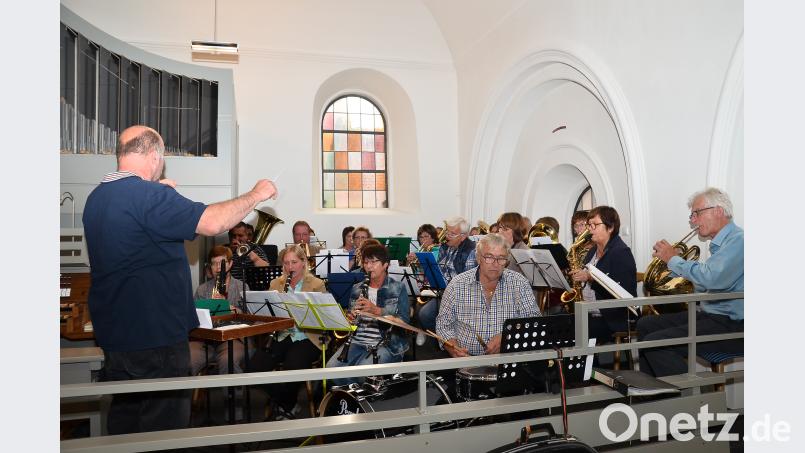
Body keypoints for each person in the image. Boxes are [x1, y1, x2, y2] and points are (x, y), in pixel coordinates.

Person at [83, 125, 278, 434]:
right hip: (155, 338)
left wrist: (162, 195)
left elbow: (138, 245)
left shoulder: (97, 198)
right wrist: (257, 194)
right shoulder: (147, 195)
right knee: (163, 431)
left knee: (126, 426)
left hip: (117, 336)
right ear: (154, 156)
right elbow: (213, 223)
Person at [638, 188, 743, 377]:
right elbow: (705, 284)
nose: (693, 220)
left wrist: (673, 259)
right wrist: (675, 265)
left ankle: (692, 400)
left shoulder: (739, 241)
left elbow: (712, 278)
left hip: (733, 325)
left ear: (718, 211)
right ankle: (652, 393)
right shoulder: (721, 245)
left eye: (697, 213)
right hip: (711, 316)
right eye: (692, 215)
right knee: (645, 325)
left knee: (655, 343)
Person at [250, 244, 327, 420]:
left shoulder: (316, 284)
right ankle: (287, 402)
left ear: (303, 263)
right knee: (254, 367)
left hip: (307, 336)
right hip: (282, 334)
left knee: (294, 366)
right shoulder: (276, 283)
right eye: (286, 263)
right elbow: (268, 314)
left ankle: (282, 404)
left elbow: (322, 318)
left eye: (294, 262)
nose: (290, 267)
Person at [436, 233, 541, 357]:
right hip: (467, 362)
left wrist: (507, 335)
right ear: (478, 258)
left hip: (508, 360)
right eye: (489, 257)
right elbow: (443, 325)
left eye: (501, 258)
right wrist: (453, 347)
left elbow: (534, 321)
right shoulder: (457, 284)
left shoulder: (519, 283)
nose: (495, 264)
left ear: (506, 261)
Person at [327, 244, 410, 386]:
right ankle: (352, 400)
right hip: (357, 341)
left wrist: (376, 310)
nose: (369, 266)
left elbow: (405, 323)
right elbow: (351, 318)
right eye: (366, 262)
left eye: (373, 262)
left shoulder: (398, 288)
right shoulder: (356, 288)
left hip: (387, 344)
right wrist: (349, 318)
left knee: (363, 374)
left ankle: (363, 399)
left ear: (385, 265)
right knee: (331, 371)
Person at [569, 206, 637, 347]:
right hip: (590, 312)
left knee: (573, 331)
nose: (589, 229)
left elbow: (625, 292)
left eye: (594, 225)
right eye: (589, 225)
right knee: (557, 323)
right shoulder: (593, 250)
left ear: (610, 227)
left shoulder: (621, 252)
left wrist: (590, 278)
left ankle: (588, 367)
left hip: (613, 316)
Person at [189, 246, 249, 376]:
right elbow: (194, 317)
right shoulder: (202, 289)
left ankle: (234, 396)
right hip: (206, 340)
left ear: (230, 263)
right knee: (188, 359)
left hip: (232, 339)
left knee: (229, 360)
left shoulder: (241, 287)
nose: (217, 268)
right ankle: (184, 396)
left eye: (221, 263)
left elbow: (248, 317)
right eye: (214, 264)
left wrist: (226, 306)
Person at [418, 216, 478, 331]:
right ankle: (443, 338)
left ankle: (447, 338)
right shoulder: (446, 247)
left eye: (452, 234)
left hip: (459, 297)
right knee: (423, 315)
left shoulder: (471, 251)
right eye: (447, 232)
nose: (446, 236)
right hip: (442, 292)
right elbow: (436, 268)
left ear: (463, 236)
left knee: (426, 315)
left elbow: (468, 283)